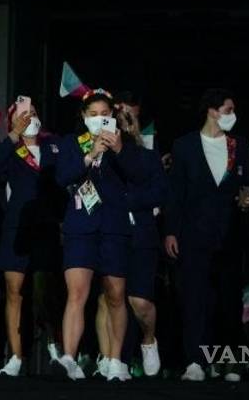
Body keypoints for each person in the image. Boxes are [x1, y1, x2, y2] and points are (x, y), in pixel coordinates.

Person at [163, 88, 249, 382]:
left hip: (230, 233)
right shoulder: (184, 146)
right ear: (212, 111)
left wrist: (246, 200)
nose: (232, 115)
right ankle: (195, 360)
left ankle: (228, 361)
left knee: (230, 300)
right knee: (194, 298)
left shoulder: (239, 145)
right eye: (228, 110)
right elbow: (175, 193)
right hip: (193, 234)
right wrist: (170, 232)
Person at [53, 89, 144, 382]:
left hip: (114, 229)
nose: (99, 119)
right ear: (83, 117)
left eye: (105, 114)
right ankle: (69, 357)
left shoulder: (125, 144)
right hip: (80, 226)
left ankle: (116, 360)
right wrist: (91, 153)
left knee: (115, 295)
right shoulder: (72, 143)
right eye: (93, 115)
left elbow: (140, 177)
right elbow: (62, 177)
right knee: (77, 292)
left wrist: (117, 149)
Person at [0, 98, 60, 377]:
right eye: (22, 115)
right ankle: (16, 356)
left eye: (32, 113)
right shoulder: (10, 149)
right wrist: (14, 135)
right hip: (16, 229)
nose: (28, 118)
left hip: (45, 228)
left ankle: (56, 347)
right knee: (13, 292)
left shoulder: (53, 146)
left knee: (44, 293)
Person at [108, 93, 166, 378]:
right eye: (118, 122)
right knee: (113, 299)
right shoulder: (103, 155)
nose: (124, 126)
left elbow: (158, 192)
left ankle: (149, 340)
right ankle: (115, 359)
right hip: (111, 236)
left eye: (128, 121)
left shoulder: (148, 156)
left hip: (142, 236)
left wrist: (129, 199)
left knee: (140, 302)